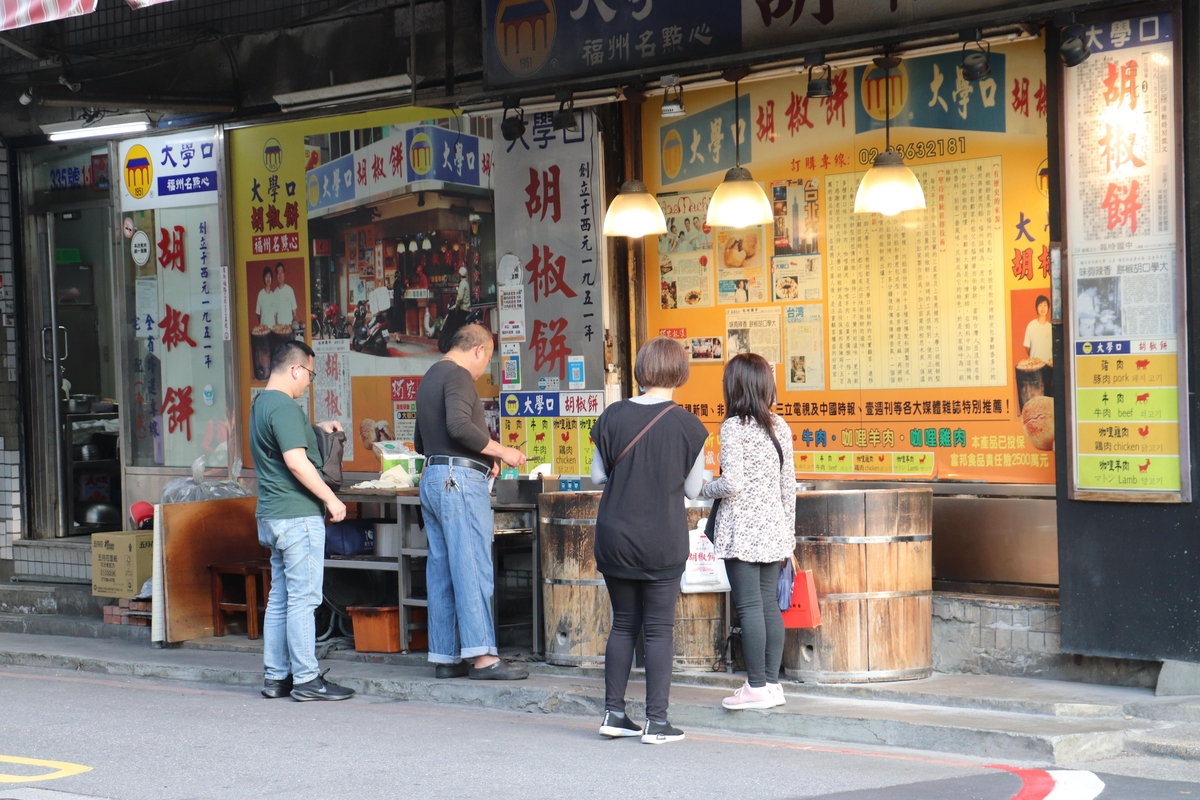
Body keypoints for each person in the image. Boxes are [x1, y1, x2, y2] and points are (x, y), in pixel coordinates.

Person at [589, 336, 709, 744]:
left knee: (622, 624)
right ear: (680, 373)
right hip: (662, 539)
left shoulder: (612, 416)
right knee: (658, 630)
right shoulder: (690, 426)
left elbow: (598, 477)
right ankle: (657, 723)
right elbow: (694, 490)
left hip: (615, 536)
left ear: (641, 370)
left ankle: (614, 713)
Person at [415, 324, 529, 680]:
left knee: (443, 570)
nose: (484, 371)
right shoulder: (460, 376)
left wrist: (482, 458)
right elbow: (460, 427)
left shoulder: (430, 377)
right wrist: (502, 451)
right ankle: (483, 657)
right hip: (458, 481)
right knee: (472, 566)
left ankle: (445, 657)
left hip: (433, 477)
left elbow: (422, 441)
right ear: (479, 350)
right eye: (488, 359)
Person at [250, 341, 353, 702]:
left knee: (280, 597)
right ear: (295, 369)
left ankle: (276, 677)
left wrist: (313, 427)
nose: (309, 381)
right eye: (309, 373)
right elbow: (295, 461)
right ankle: (308, 679)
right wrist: (330, 498)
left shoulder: (262, 403)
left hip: (271, 516)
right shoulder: (284, 407)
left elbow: (281, 445)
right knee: (304, 600)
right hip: (297, 516)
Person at [702, 353, 797, 710]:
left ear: (735, 386)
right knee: (769, 605)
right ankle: (771, 685)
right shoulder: (779, 426)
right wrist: (788, 534)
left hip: (742, 530)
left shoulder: (733, 426)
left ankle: (755, 687)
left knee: (750, 607)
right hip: (773, 529)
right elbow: (789, 486)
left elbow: (733, 484)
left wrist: (704, 488)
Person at [1024, 295, 1053, 365]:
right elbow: (1027, 347)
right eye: (1040, 305)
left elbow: (1053, 348)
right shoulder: (1031, 325)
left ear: (1048, 308)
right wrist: (1034, 357)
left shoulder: (1051, 327)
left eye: (1045, 305)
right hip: (1034, 366)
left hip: (1048, 365)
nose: (1043, 308)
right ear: (1036, 308)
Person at [273, 262, 298, 326]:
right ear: (276, 276)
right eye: (278, 272)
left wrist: (294, 324)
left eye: (282, 272)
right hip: (279, 329)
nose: (280, 275)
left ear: (284, 274)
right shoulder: (274, 294)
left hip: (289, 328)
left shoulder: (290, 290)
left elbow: (294, 313)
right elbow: (274, 315)